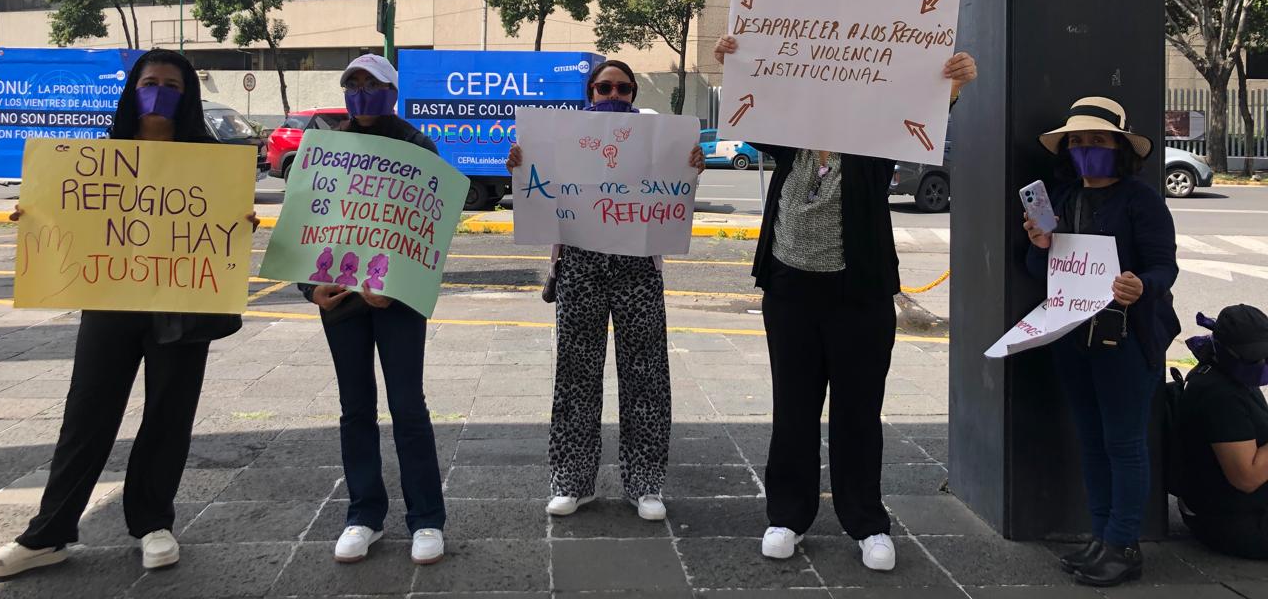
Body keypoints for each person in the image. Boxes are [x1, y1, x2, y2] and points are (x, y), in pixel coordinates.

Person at [713, 34, 977, 571]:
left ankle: (867, 522)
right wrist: (734, 63)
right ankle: (787, 516)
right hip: (789, 292)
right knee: (794, 407)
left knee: (859, 412)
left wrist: (950, 87)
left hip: (860, 296)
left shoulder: (873, 148)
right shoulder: (788, 142)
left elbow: (918, 125)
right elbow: (751, 111)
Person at [0, 49, 256, 578]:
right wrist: (37, 214)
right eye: (150, 81)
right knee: (87, 414)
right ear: (132, 89)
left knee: (169, 414)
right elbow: (70, 214)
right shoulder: (99, 156)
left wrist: (240, 218)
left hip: (183, 304)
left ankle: (153, 523)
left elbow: (227, 223)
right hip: (110, 301)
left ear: (189, 95)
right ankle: (49, 533)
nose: (160, 91)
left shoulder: (211, 159)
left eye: (173, 85)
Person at [505, 59, 705, 522]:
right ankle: (572, 481)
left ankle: (645, 483)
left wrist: (692, 164)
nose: (613, 95)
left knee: (647, 375)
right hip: (579, 265)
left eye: (623, 88)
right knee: (575, 375)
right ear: (590, 91)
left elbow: (676, 186)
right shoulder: (560, 137)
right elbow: (537, 187)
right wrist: (518, 162)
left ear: (634, 92)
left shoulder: (658, 139)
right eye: (603, 87)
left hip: (639, 268)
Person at [1023, 96, 1179, 587]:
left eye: (1098, 140)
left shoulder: (1141, 200)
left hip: (1127, 341)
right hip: (1073, 337)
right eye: (1078, 141)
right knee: (1091, 440)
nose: (1086, 148)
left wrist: (1142, 286)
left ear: (1119, 147)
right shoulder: (1063, 200)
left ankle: (1124, 543)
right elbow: (1041, 273)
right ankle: (1102, 536)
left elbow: (1164, 266)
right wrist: (1040, 247)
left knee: (1125, 442)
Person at [299, 54, 447, 566]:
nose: (362, 93)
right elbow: (304, 220)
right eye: (353, 85)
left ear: (392, 91)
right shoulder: (324, 144)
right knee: (355, 408)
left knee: (408, 407)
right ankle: (363, 514)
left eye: (372, 84)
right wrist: (308, 288)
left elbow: (431, 229)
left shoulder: (417, 146)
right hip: (339, 299)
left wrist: (401, 288)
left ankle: (426, 519)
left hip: (396, 303)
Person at [1177, 303, 1268, 559]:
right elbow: (1246, 478)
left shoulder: (1230, 376)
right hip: (1236, 521)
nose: (1261, 363)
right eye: (1253, 357)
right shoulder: (1219, 395)